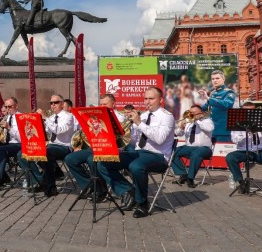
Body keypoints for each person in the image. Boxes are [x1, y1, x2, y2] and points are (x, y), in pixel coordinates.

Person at [96, 87, 175, 218]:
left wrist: (139, 123)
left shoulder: (167, 116)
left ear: (160, 100)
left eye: (151, 98)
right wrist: (121, 134)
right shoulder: (143, 115)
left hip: (158, 155)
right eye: (145, 98)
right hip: (139, 152)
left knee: (136, 166)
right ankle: (130, 191)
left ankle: (142, 204)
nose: (147, 102)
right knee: (103, 163)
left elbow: (159, 139)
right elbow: (134, 141)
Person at [66, 93, 123, 201]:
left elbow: (122, 140)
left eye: (105, 104)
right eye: (100, 104)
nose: (101, 107)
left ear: (113, 104)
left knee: (91, 160)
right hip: (96, 148)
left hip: (111, 150)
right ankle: (90, 186)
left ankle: (101, 191)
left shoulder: (120, 118)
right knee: (70, 158)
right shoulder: (97, 116)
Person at [16, 94, 75, 197]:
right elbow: (45, 133)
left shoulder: (68, 116)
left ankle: (51, 186)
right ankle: (39, 180)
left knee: (46, 153)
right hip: (51, 146)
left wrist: (44, 118)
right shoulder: (51, 117)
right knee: (23, 153)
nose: (53, 105)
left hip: (64, 147)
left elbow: (58, 130)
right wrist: (35, 122)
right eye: (51, 103)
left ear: (61, 104)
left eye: (55, 102)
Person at [225, 102, 262, 198]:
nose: (249, 113)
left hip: (261, 151)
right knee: (230, 157)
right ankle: (241, 182)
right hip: (244, 151)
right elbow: (234, 139)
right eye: (246, 111)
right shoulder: (238, 123)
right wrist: (247, 132)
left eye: (252, 111)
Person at [171, 105, 214, 188]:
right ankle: (183, 174)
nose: (191, 114)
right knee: (173, 152)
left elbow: (209, 129)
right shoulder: (188, 123)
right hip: (189, 147)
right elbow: (178, 134)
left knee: (196, 153)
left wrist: (197, 121)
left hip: (204, 148)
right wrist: (181, 128)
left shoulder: (207, 121)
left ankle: (190, 178)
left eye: (193, 113)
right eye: (190, 112)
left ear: (200, 113)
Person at [0, 97, 22, 193]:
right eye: (6, 107)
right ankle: (4, 177)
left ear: (16, 105)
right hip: (7, 144)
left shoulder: (21, 117)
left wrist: (9, 128)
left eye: (10, 106)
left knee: (1, 150)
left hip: (18, 144)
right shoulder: (7, 117)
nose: (7, 109)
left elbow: (22, 138)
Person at [199, 70, 236, 142]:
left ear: (223, 79)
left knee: (221, 152)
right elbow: (206, 106)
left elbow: (227, 104)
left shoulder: (228, 92)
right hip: (212, 129)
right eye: (213, 79)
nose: (214, 80)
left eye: (217, 78)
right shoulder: (213, 93)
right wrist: (194, 111)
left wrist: (208, 98)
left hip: (223, 131)